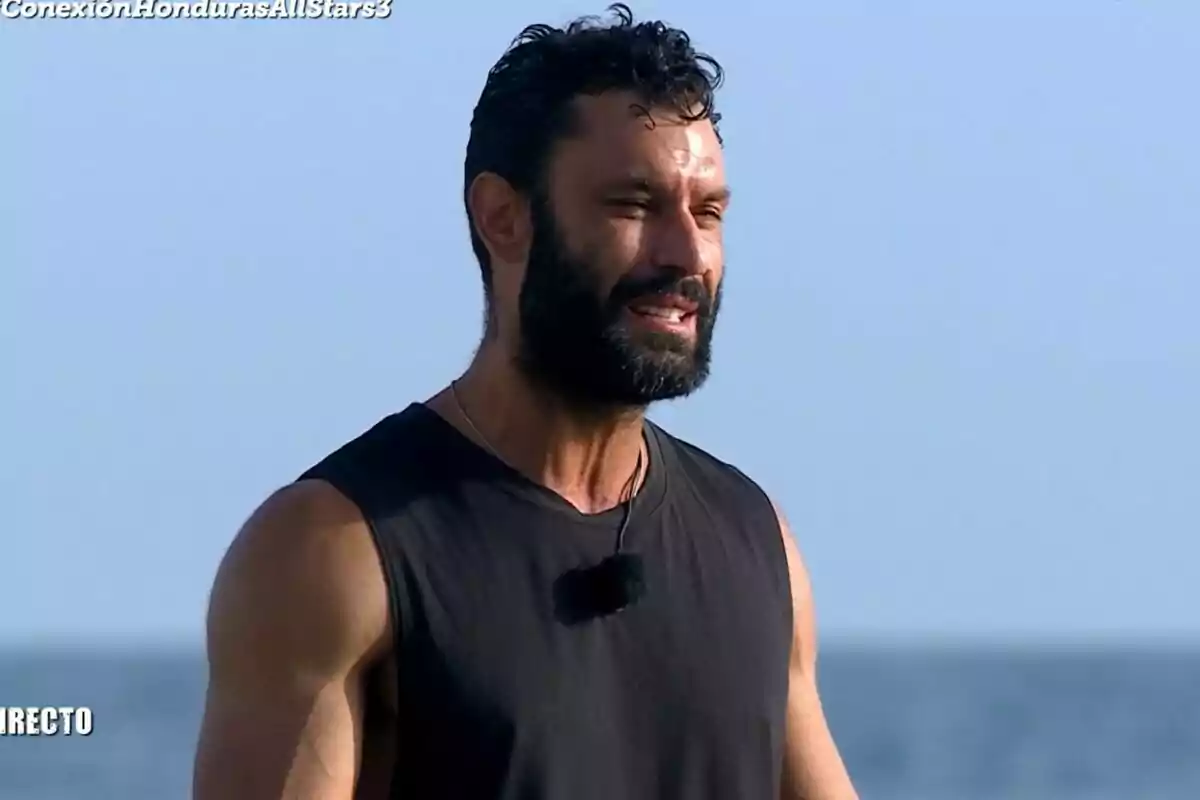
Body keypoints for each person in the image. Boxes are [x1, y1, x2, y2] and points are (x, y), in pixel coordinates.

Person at [192, 4, 858, 799]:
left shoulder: (757, 544)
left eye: (707, 212)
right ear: (503, 217)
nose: (686, 254)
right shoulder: (333, 550)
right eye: (633, 205)